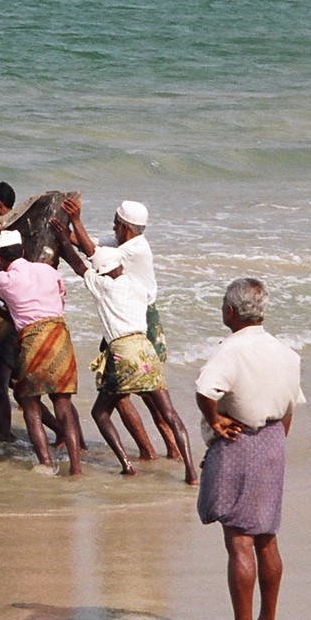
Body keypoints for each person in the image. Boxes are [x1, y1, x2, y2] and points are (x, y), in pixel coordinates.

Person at [193, 277, 305, 620]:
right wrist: (274, 441)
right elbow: (290, 408)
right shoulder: (287, 353)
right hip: (274, 440)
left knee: (239, 538)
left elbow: (205, 390)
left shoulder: (232, 349)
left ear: (230, 311)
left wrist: (215, 421)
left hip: (240, 440)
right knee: (267, 537)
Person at [51, 220, 197, 483]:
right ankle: (190, 471)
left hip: (122, 353)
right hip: (145, 350)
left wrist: (62, 241)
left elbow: (78, 265)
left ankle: (127, 464)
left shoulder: (103, 287)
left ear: (103, 272)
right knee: (169, 413)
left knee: (100, 412)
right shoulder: (139, 287)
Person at [62, 196, 178, 461]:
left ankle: (151, 450)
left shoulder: (136, 248)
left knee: (124, 392)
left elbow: (92, 256)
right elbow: (83, 242)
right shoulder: (123, 241)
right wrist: (61, 227)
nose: (113, 228)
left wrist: (76, 220)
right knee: (146, 391)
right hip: (131, 317)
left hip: (134, 321)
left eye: (116, 224)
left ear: (125, 227)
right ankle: (165, 449)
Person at [0, 229, 82, 474]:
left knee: (29, 401)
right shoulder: (48, 270)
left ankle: (45, 462)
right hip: (59, 335)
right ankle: (76, 468)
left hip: (33, 338)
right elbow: (61, 296)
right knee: (63, 404)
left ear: (1, 260)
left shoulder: (6, 280)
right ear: (23, 251)